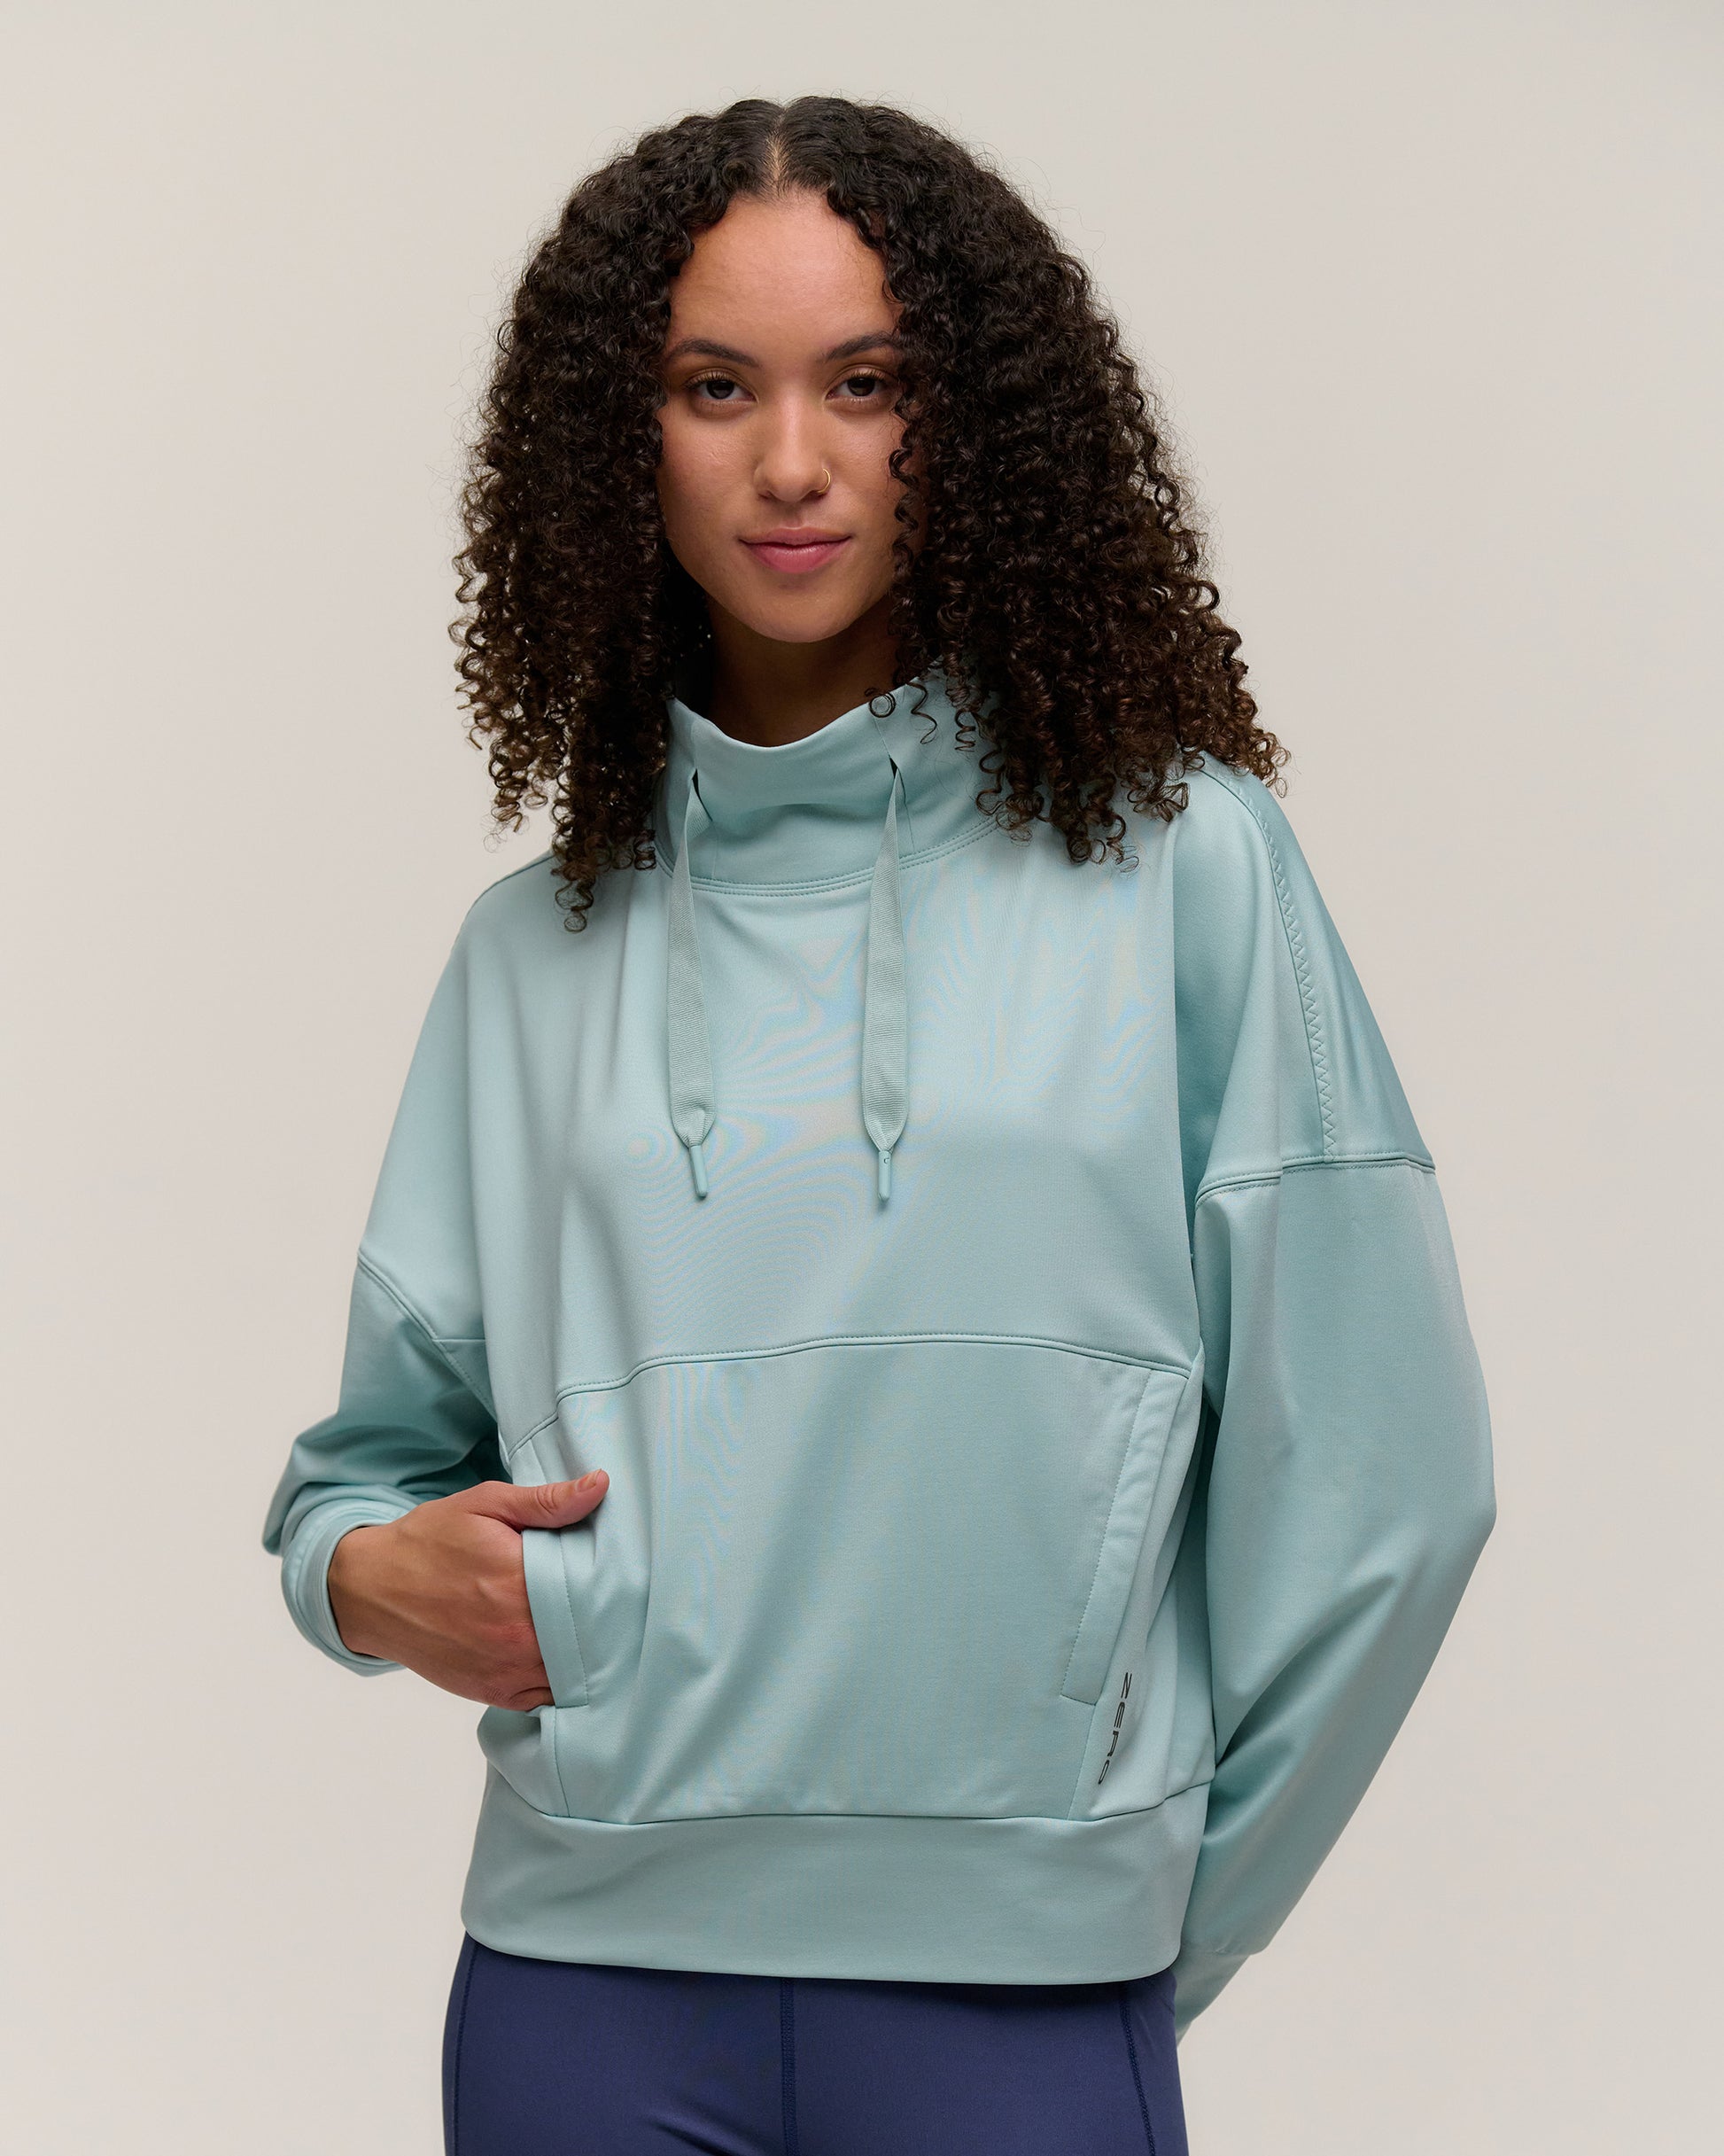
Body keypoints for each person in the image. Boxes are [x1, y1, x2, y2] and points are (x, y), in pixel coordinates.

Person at [261, 94, 1495, 2156]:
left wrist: (1137, 1908)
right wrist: (364, 1577)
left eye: (865, 382)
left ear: (977, 419)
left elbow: (1392, 1491)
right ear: (617, 437)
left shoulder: (1187, 870)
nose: (791, 460)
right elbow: (361, 1483)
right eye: (713, 386)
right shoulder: (531, 951)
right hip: (579, 2000)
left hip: (1020, 2001)